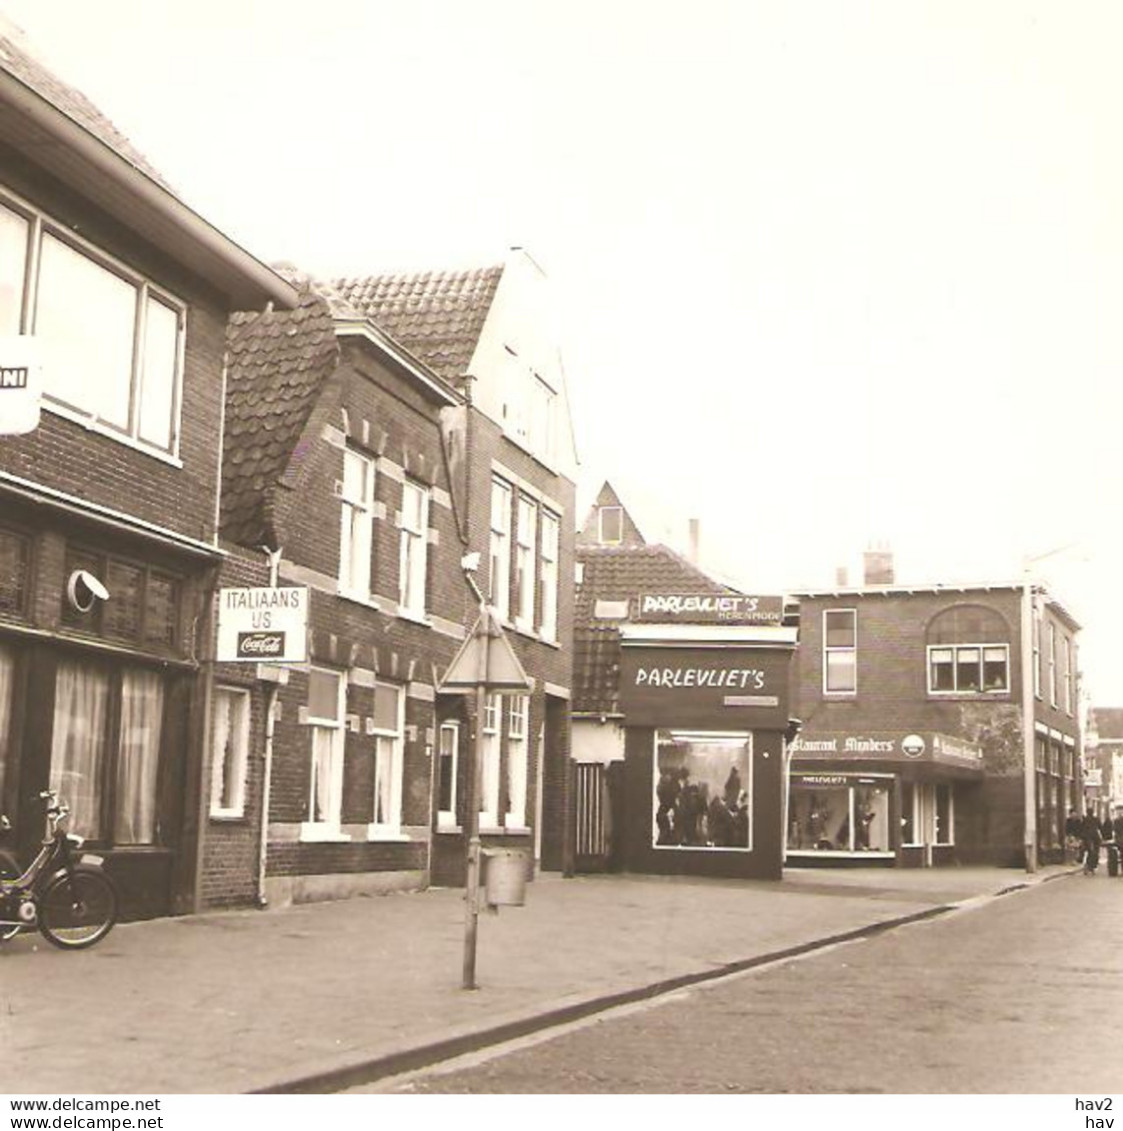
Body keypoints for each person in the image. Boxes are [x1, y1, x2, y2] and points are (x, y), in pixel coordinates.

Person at [1080, 808, 1103, 875]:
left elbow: (1081, 829)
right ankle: (1091, 866)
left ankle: (1088, 866)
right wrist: (1104, 836)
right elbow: (1100, 827)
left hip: (1087, 838)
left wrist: (1082, 838)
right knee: (1094, 852)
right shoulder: (1096, 819)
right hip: (1094, 838)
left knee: (1090, 852)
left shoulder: (1085, 819)